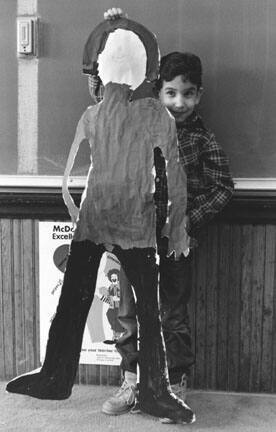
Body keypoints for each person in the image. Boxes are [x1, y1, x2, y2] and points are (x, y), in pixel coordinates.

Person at [6, 15, 195, 424]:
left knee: (79, 300)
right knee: (145, 308)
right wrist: (175, 227)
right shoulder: (154, 115)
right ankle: (154, 392)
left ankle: (55, 377)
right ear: (147, 71)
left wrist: (79, 213)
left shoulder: (94, 115)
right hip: (133, 225)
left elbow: (68, 178)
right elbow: (174, 176)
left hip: (98, 221)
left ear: (100, 71)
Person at [99, 8, 234, 418]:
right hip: (132, 238)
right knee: (128, 313)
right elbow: (104, 86)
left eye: (188, 93)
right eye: (171, 92)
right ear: (156, 91)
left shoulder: (201, 137)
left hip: (176, 246)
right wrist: (116, 29)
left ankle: (173, 388)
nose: (179, 101)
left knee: (171, 316)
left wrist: (188, 221)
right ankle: (132, 383)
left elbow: (222, 186)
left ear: (199, 94)